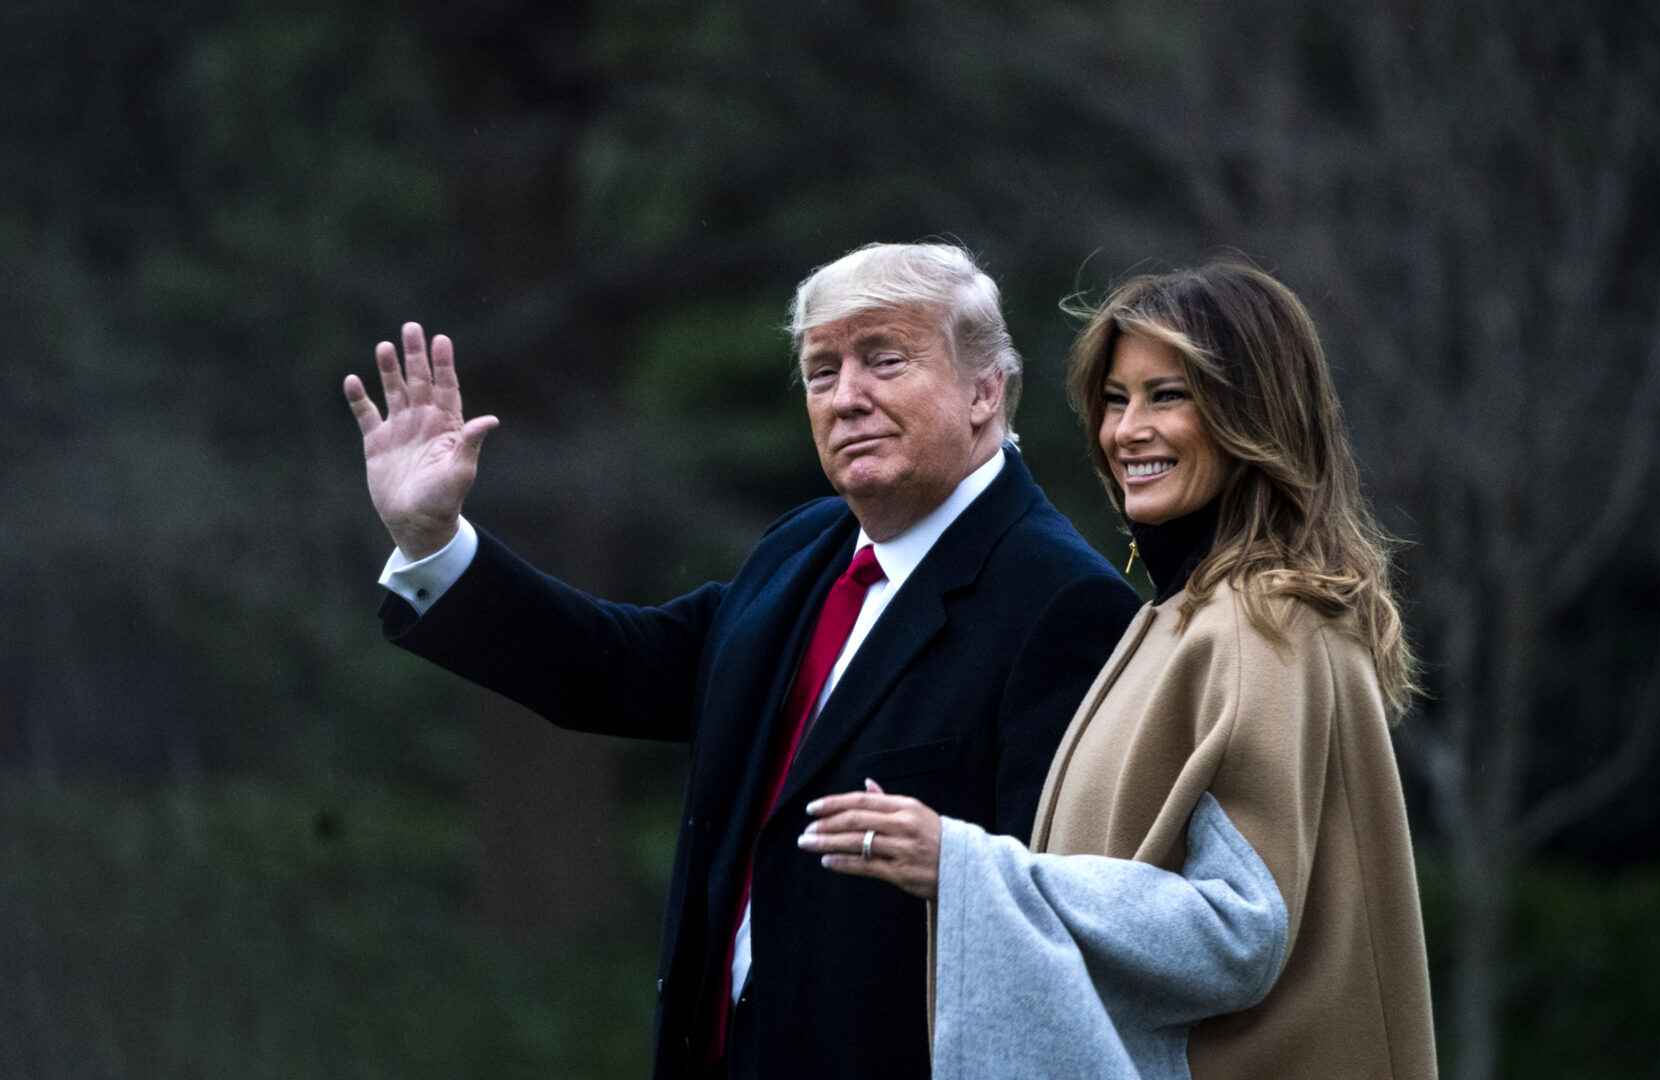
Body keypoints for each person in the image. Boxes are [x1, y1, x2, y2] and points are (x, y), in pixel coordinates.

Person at [341, 242, 1139, 1080]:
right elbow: (617, 669)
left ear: (985, 390)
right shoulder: (804, 547)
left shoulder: (1063, 604)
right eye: (821, 371)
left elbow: (1060, 923)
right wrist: (430, 541)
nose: (846, 397)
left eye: (884, 360)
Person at [804, 261, 1439, 1079]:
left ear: (1250, 415)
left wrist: (962, 867)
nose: (1126, 430)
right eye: (1115, 399)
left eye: (1165, 395)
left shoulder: (1259, 628)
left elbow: (1236, 936)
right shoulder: (1183, 617)